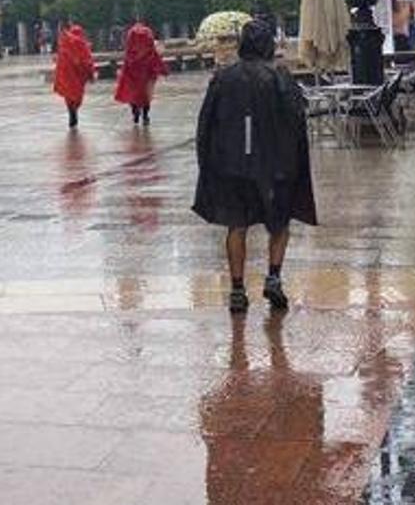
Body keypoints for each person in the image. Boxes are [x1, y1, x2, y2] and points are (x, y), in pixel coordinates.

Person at [193, 20, 317, 314]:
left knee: (236, 225)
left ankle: (237, 288)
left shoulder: (223, 78)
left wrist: (207, 163)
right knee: (280, 223)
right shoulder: (279, 77)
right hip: (274, 166)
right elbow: (296, 118)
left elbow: (205, 124)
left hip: (232, 165)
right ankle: (273, 276)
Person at [114, 23, 169, 126]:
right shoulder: (149, 51)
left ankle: (135, 112)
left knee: (133, 95)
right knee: (146, 96)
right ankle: (145, 116)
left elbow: (126, 63)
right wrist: (164, 70)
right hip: (147, 76)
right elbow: (156, 60)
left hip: (132, 77)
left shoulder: (130, 53)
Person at [53, 23, 96, 129]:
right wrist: (90, 75)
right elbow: (88, 62)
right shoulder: (83, 45)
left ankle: (72, 112)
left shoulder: (65, 46)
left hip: (67, 77)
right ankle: (74, 110)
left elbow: (60, 63)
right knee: (77, 95)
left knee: (69, 96)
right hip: (78, 78)